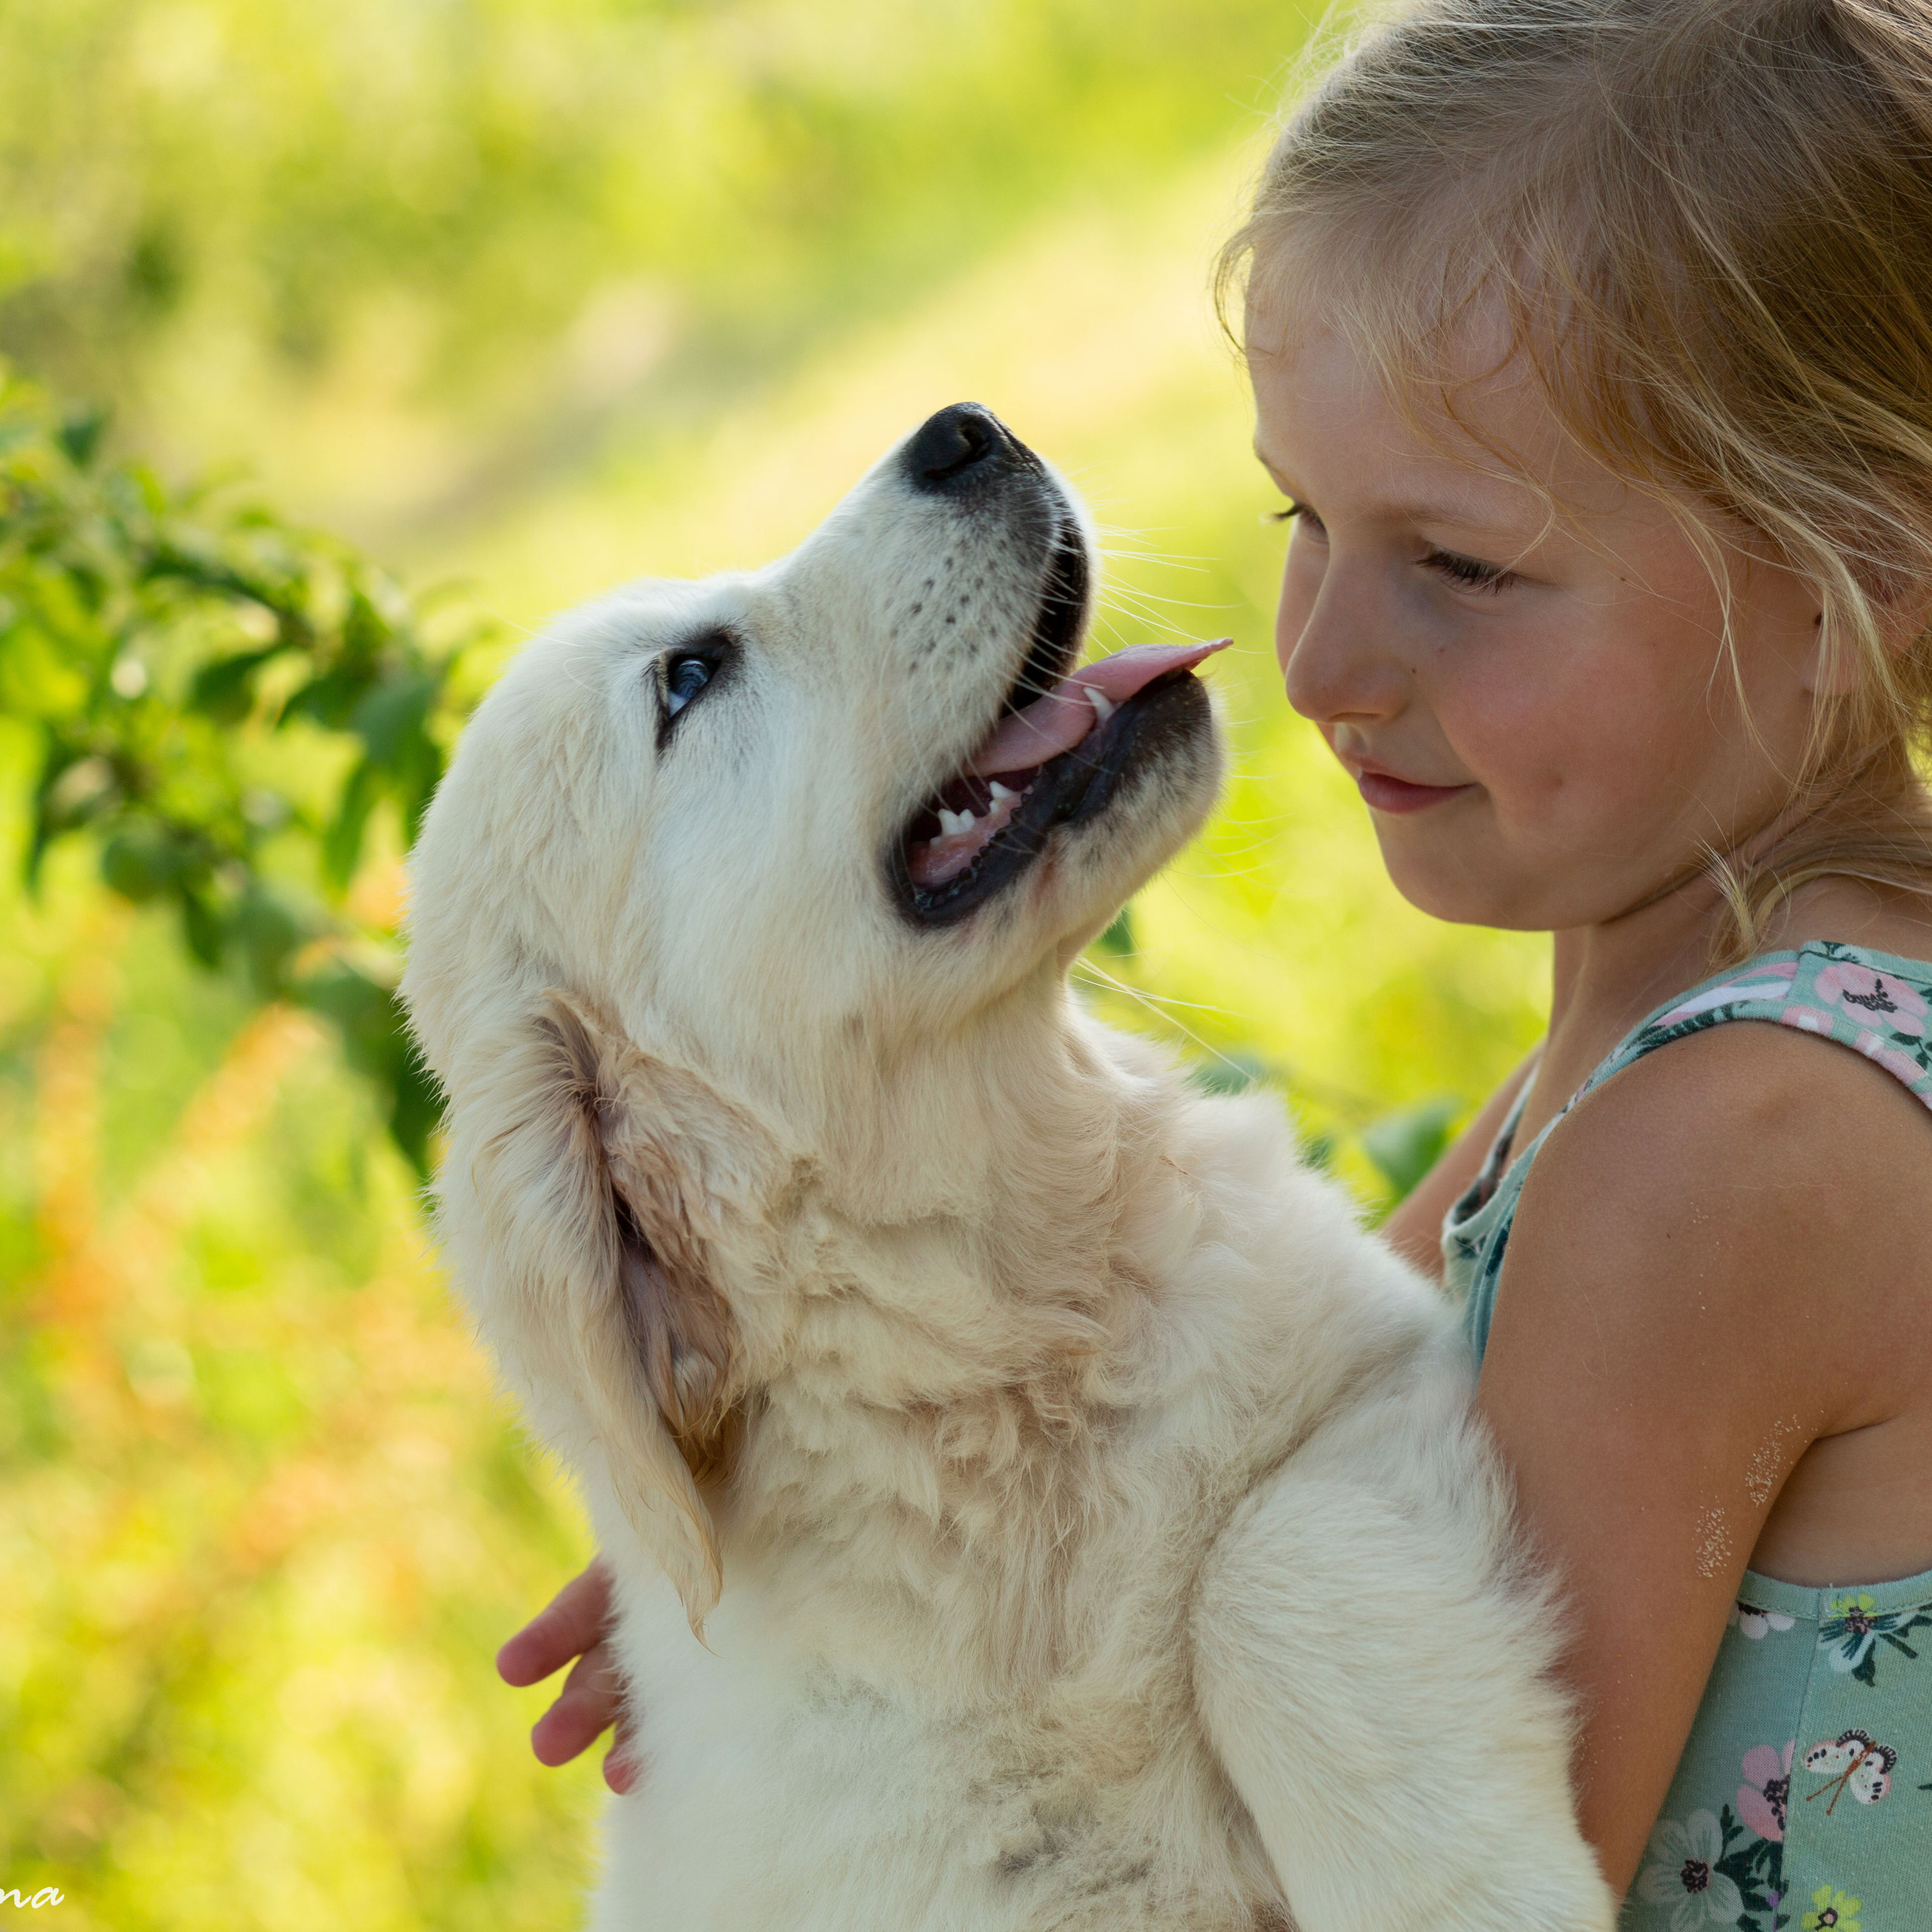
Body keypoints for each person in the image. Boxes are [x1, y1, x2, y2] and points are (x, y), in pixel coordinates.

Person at [494, 3, 1932, 1922]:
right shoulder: (1695, 1013)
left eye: (1463, 566)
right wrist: (851, 1618)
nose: (1321, 659)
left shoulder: (1722, 1153)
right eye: (1301, 517)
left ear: (1852, 571)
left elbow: (1348, 1861)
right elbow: (1304, 1398)